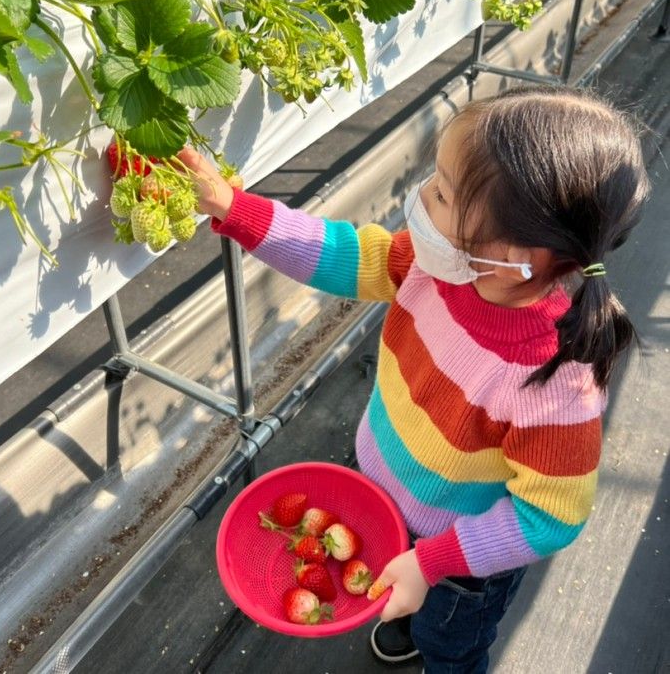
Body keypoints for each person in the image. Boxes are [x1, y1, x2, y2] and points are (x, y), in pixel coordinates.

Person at [176, 85, 650, 672]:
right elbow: (346, 254)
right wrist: (235, 208)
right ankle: (403, 616)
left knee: (450, 645)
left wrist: (433, 564)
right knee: (387, 578)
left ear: (520, 251)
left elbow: (550, 516)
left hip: (459, 562)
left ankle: (433, 640)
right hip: (382, 491)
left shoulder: (554, 382)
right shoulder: (437, 270)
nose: (423, 196)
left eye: (445, 194)